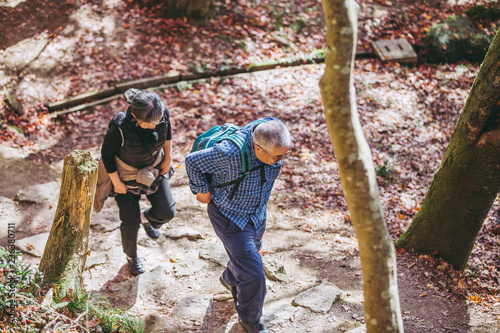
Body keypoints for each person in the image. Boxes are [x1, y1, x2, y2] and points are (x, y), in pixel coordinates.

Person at [185, 118, 291, 333]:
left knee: (246, 260)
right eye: (278, 157)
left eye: (285, 154)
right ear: (257, 148)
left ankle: (230, 279)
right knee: (254, 273)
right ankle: (250, 320)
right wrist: (201, 190)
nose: (282, 160)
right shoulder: (229, 153)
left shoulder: (271, 133)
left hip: (257, 214)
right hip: (229, 216)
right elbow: (192, 162)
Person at [99, 88, 176, 276]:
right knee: (130, 221)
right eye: (148, 124)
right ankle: (132, 257)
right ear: (134, 115)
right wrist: (116, 184)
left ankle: (146, 218)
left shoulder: (161, 112)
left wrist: (168, 158)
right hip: (125, 177)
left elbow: (167, 134)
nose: (153, 126)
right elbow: (107, 156)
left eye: (156, 122)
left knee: (167, 212)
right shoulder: (119, 127)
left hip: (154, 168)